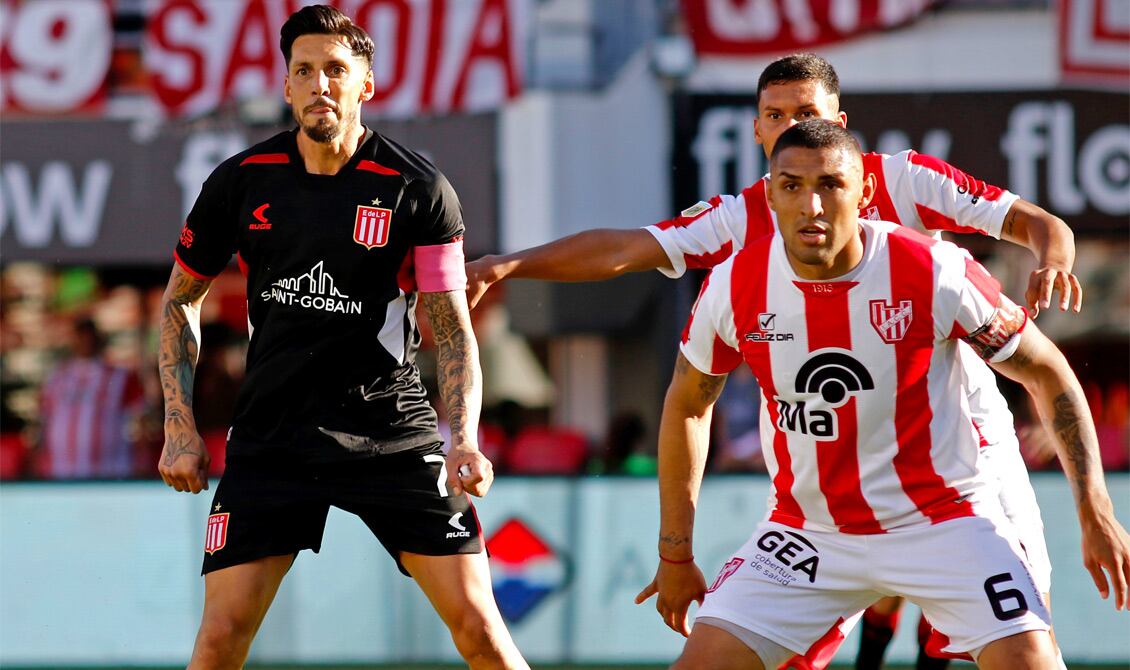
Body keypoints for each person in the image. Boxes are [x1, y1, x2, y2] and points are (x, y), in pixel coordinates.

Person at [466, 53, 1080, 669]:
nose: (790, 127)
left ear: (842, 128)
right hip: (818, 488)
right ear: (756, 130)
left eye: (806, 114)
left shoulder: (904, 183)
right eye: (775, 115)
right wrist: (509, 265)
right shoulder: (742, 225)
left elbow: (1033, 223)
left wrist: (1052, 260)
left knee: (1024, 635)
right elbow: (630, 249)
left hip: (958, 457)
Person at [634, 120, 1129, 670]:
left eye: (831, 184)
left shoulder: (932, 270)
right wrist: (674, 553)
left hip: (944, 523)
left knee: (1030, 660)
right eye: (792, 186)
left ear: (865, 192)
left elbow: (1047, 373)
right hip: (809, 534)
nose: (812, 206)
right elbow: (687, 404)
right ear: (770, 193)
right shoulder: (734, 283)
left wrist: (1095, 508)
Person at [156, 6, 528, 669]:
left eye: (335, 70)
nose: (319, 84)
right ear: (287, 84)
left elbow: (452, 327)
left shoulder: (418, 189)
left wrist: (464, 435)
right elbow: (180, 301)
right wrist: (179, 426)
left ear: (366, 85)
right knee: (219, 640)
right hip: (272, 437)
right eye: (304, 71)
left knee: (480, 632)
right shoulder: (240, 182)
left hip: (389, 431)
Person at [37, 316, 145, 479]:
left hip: (111, 473)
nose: (84, 341)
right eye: (80, 336)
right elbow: (44, 421)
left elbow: (140, 422)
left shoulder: (120, 377)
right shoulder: (56, 378)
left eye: (88, 336)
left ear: (98, 339)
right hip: (62, 475)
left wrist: (141, 462)